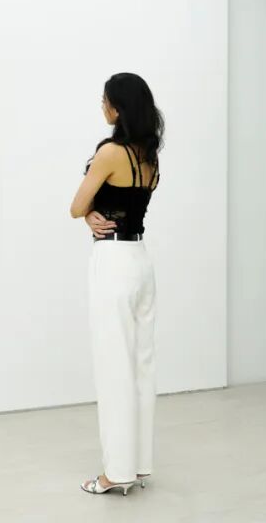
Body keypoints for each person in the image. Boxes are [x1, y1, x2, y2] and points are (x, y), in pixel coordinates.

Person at [70, 72, 162, 496]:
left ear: (118, 107)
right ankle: (138, 466)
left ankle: (115, 473)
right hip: (141, 261)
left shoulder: (109, 153)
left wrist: (88, 214)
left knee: (114, 366)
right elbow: (117, 205)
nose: (101, 106)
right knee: (141, 365)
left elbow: (77, 206)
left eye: (104, 100)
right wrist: (92, 214)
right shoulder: (149, 157)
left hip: (112, 263)